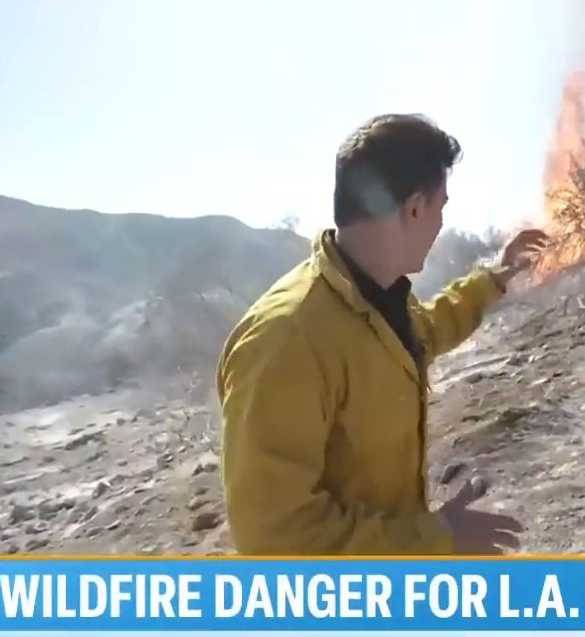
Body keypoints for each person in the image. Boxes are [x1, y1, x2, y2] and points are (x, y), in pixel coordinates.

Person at [216, 113, 549, 555]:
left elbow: (424, 331)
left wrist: (495, 278)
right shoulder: (286, 340)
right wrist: (434, 540)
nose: (441, 224)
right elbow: (277, 539)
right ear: (414, 208)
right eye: (441, 208)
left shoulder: (379, 294)